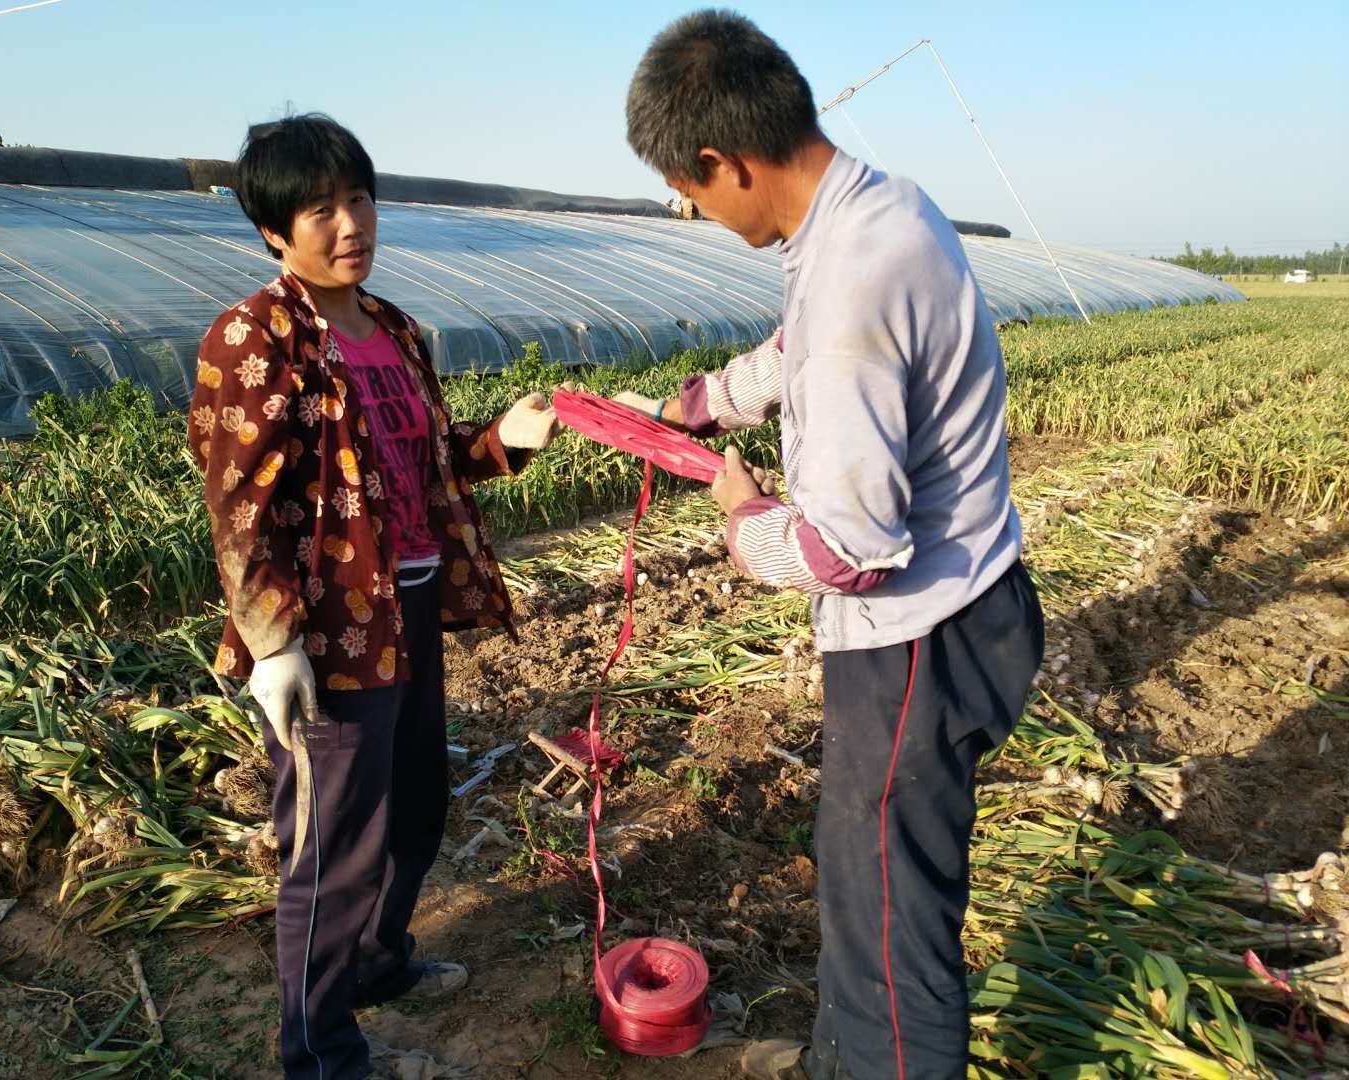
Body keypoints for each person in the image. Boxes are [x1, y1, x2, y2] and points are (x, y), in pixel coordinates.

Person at [620, 12, 1045, 1079]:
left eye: (689, 187)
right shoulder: (873, 210)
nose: (692, 208)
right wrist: (704, 403)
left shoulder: (855, 272)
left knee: (892, 937)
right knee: (867, 889)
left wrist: (741, 529)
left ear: (728, 160)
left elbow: (852, 546)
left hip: (915, 643)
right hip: (966, 608)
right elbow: (796, 349)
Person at [188, 114, 562, 1080]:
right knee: (330, 851)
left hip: (412, 608)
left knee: (417, 810)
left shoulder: (389, 327)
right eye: (321, 209)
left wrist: (501, 443)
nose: (350, 223)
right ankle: (320, 1052)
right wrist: (272, 642)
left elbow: (424, 463)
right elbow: (240, 506)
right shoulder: (253, 337)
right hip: (331, 638)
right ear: (275, 231)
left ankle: (379, 963)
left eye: (358, 198)